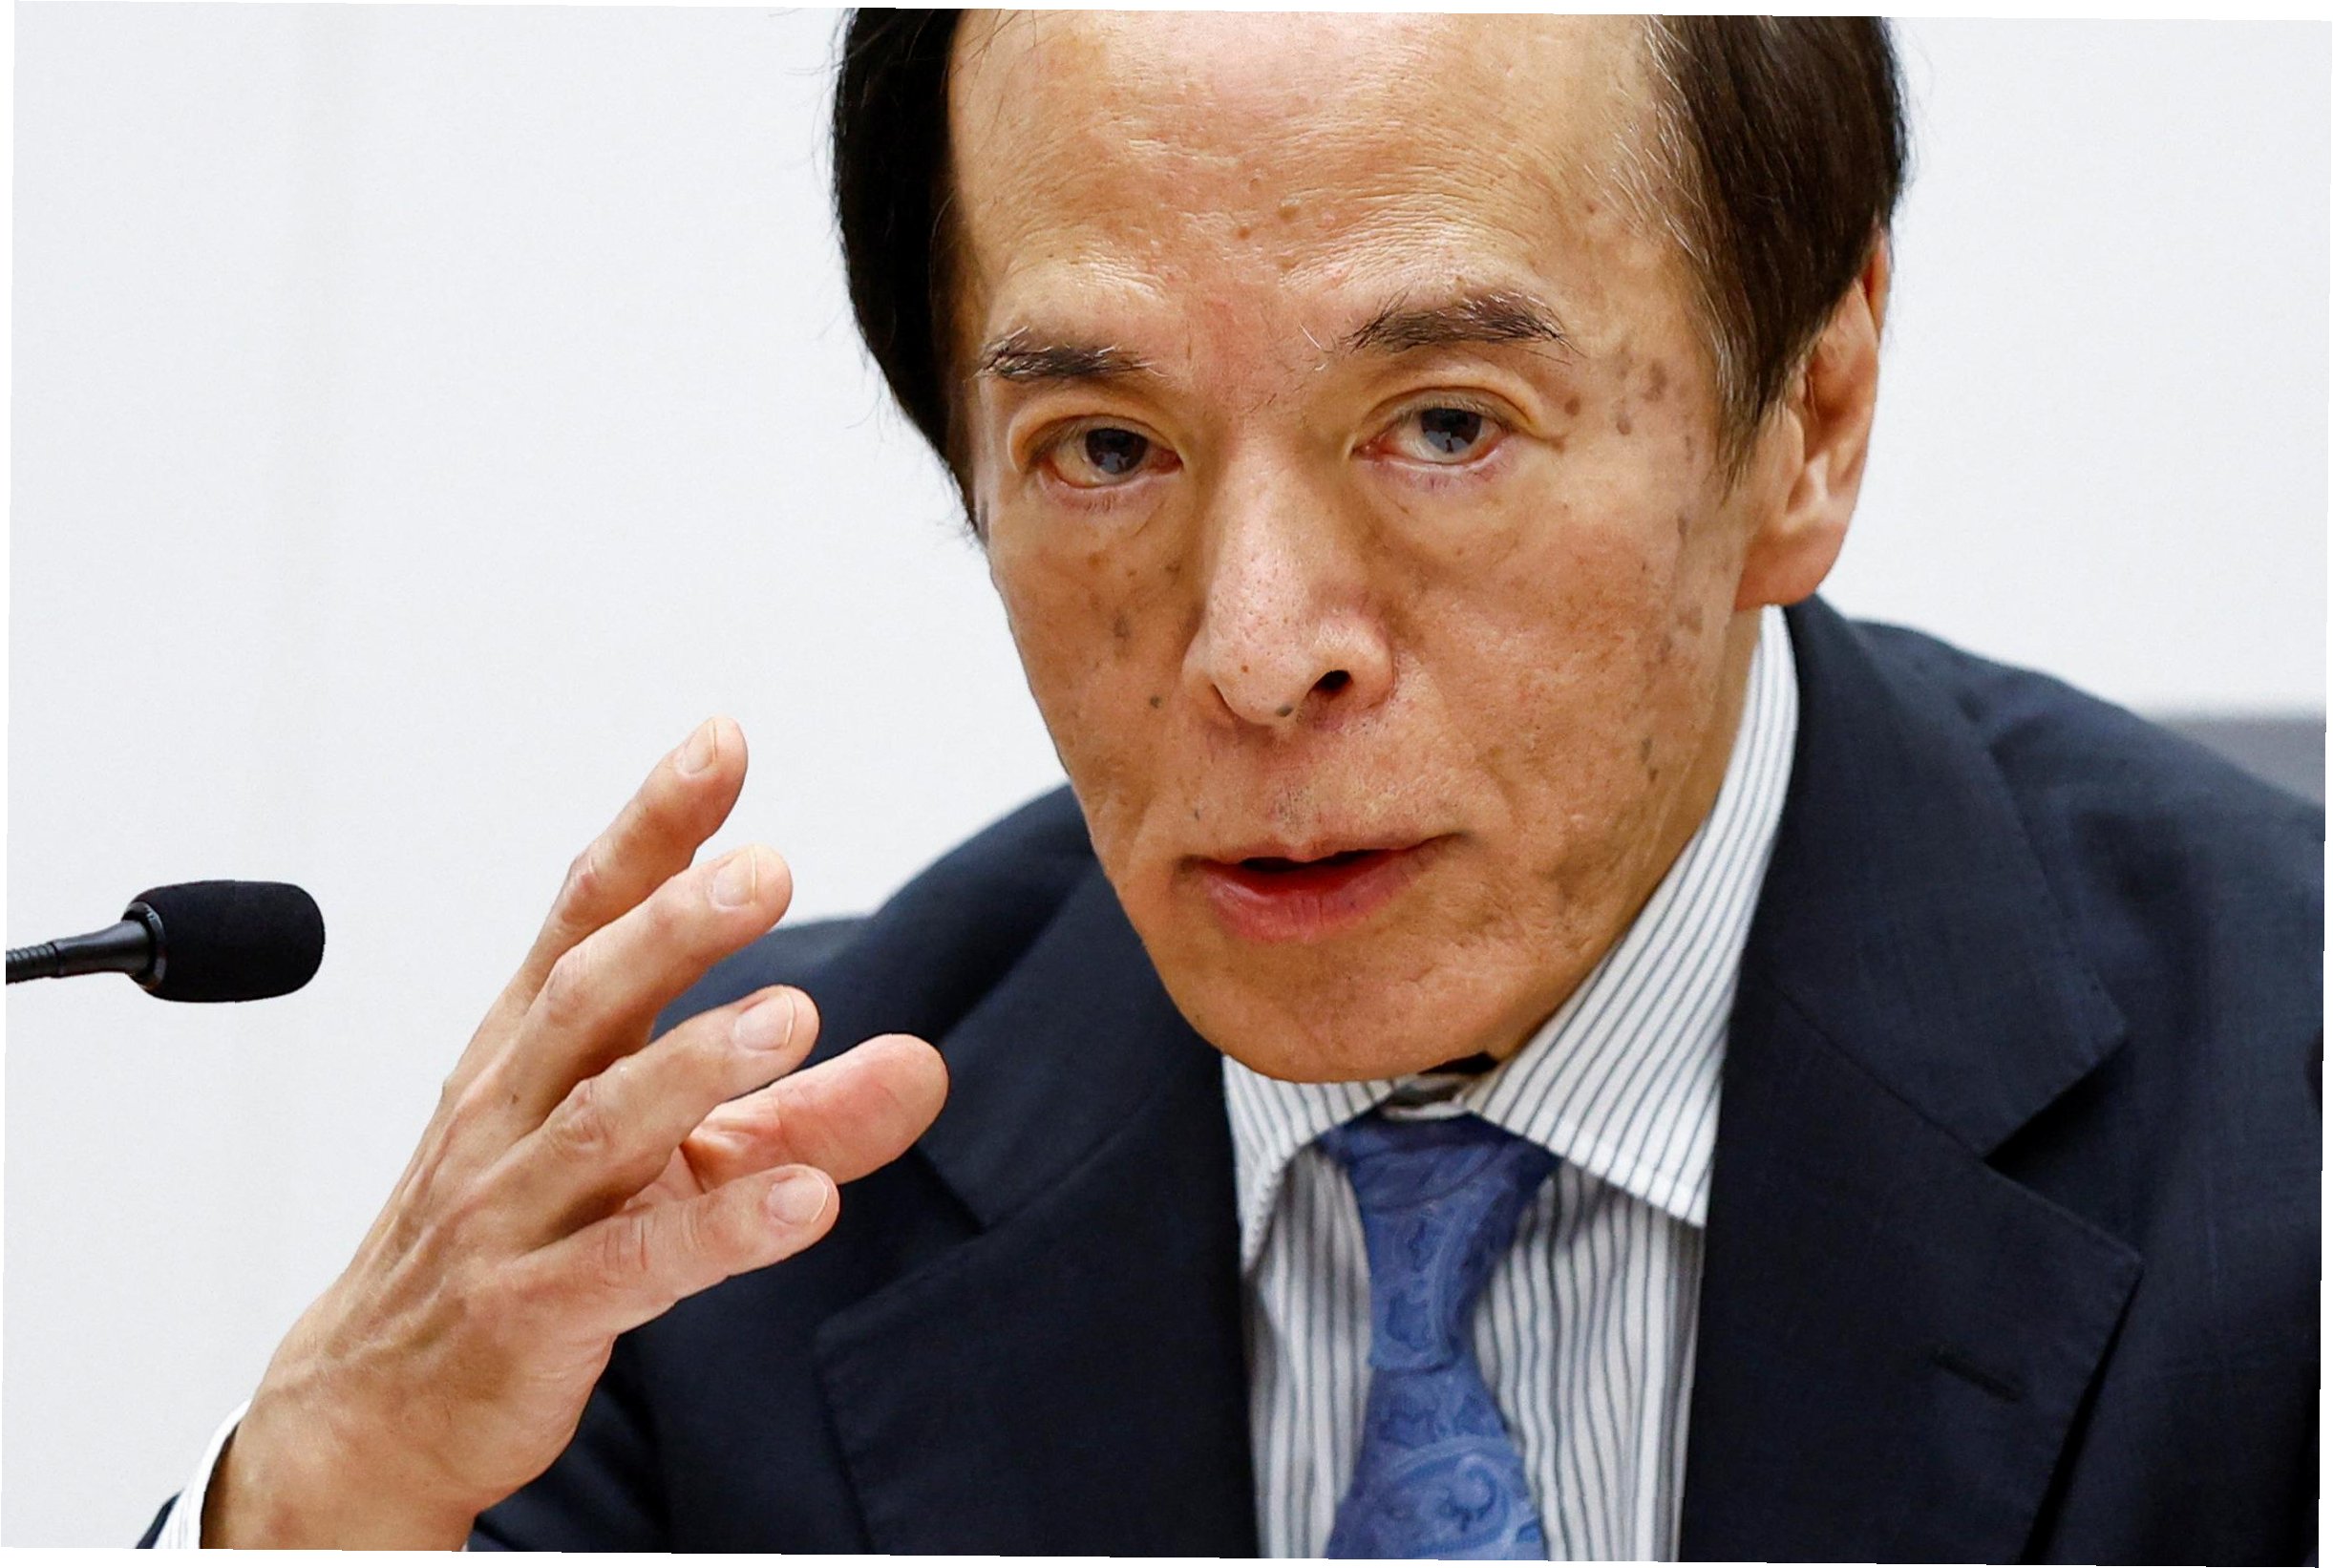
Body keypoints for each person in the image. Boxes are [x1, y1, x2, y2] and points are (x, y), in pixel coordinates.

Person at [141, 11, 2319, 1558]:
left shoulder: (2284, 1115)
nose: (1258, 650)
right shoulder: (728, 1228)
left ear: (1811, 416)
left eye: (1445, 423)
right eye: (1105, 448)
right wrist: (313, 1501)